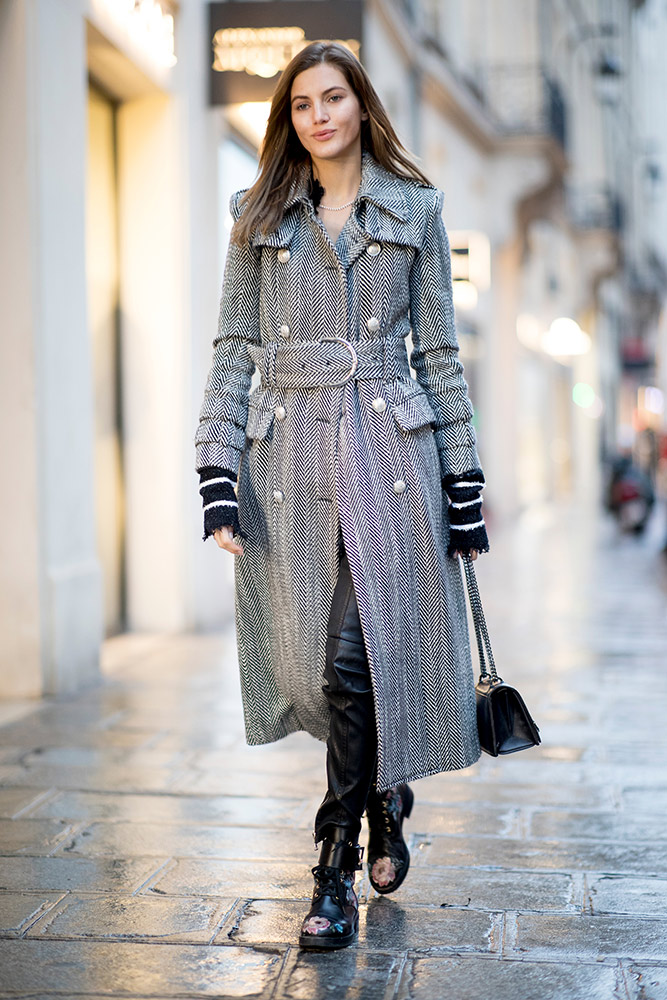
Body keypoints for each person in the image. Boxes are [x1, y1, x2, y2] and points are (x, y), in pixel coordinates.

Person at [194, 40, 490, 951]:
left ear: (361, 106)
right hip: (287, 465)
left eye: (334, 98)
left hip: (388, 454)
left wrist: (463, 479)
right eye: (301, 104)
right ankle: (384, 795)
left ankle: (330, 871)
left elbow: (437, 354)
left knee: (354, 661)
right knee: (314, 670)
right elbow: (232, 350)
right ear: (289, 120)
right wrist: (215, 471)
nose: (318, 115)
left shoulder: (416, 210)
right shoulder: (256, 214)